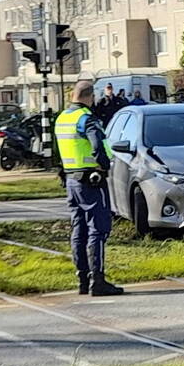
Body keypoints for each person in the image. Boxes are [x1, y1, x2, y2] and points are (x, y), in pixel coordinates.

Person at [54, 80, 123, 296]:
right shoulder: (86, 118)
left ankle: (83, 280)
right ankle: (98, 280)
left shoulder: (62, 118)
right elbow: (97, 145)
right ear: (90, 97)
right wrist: (104, 165)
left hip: (71, 180)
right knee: (98, 229)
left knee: (79, 229)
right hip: (91, 180)